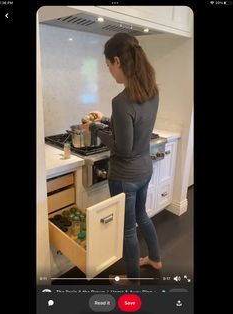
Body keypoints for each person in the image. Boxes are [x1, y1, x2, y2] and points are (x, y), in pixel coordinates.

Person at [83, 33, 162, 285]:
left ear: (117, 61)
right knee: (142, 216)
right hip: (144, 170)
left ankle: (133, 280)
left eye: (108, 65)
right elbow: (132, 124)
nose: (109, 72)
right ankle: (155, 259)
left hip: (125, 176)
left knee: (128, 229)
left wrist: (94, 129)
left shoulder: (121, 100)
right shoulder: (152, 91)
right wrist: (105, 119)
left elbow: (123, 148)